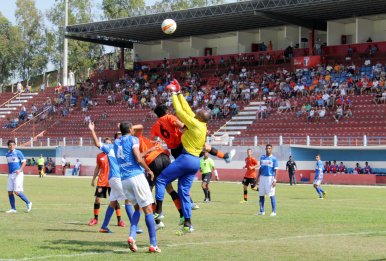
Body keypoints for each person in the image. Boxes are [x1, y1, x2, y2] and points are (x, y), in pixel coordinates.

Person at [154, 79, 209, 233]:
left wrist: (172, 94)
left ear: (199, 117)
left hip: (186, 158)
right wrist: (178, 92)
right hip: (195, 162)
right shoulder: (201, 123)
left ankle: (158, 211)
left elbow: (179, 111)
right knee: (183, 192)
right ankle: (188, 224)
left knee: (161, 180)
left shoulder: (195, 123)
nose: (194, 112)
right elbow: (187, 108)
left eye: (197, 113)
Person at [114, 122, 160, 253]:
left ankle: (132, 236)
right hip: (136, 176)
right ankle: (153, 244)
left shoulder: (117, 142)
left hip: (124, 180)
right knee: (148, 210)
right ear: (130, 129)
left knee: (137, 209)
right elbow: (138, 158)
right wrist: (148, 170)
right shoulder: (133, 139)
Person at [88, 123, 142, 234]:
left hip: (113, 178)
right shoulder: (112, 147)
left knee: (113, 202)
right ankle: (135, 227)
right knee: (128, 201)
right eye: (118, 134)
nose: (119, 135)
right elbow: (97, 143)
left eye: (120, 133)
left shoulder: (115, 147)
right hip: (117, 178)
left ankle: (104, 226)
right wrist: (92, 130)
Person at [132, 124, 183, 230]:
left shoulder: (135, 140)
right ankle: (183, 215)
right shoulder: (146, 140)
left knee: (148, 192)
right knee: (169, 188)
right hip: (165, 157)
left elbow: (139, 157)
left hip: (154, 161)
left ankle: (158, 220)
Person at [88, 137, 125, 229]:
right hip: (102, 181)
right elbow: (97, 168)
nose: (108, 145)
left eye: (110, 143)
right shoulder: (100, 156)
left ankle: (119, 220)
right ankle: (95, 219)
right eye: (106, 143)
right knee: (97, 199)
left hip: (112, 180)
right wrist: (93, 179)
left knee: (115, 201)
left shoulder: (115, 154)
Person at [5, 140, 32, 213]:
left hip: (18, 174)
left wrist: (19, 170)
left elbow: (24, 162)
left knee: (16, 192)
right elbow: (10, 165)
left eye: (13, 145)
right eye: (10, 145)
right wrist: (9, 173)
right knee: (10, 192)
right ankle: (13, 209)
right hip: (10, 174)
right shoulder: (7, 154)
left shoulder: (18, 152)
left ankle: (29, 203)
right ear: (8, 146)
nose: (12, 146)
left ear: (15, 145)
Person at [256, 144, 278, 216]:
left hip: (270, 178)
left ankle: (274, 211)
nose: (268, 149)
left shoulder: (274, 159)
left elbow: (276, 170)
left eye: (269, 148)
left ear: (271, 149)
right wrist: (257, 178)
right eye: (267, 148)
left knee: (271, 195)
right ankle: (262, 211)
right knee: (261, 194)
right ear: (265, 149)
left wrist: (275, 180)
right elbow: (260, 168)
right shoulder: (262, 157)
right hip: (262, 178)